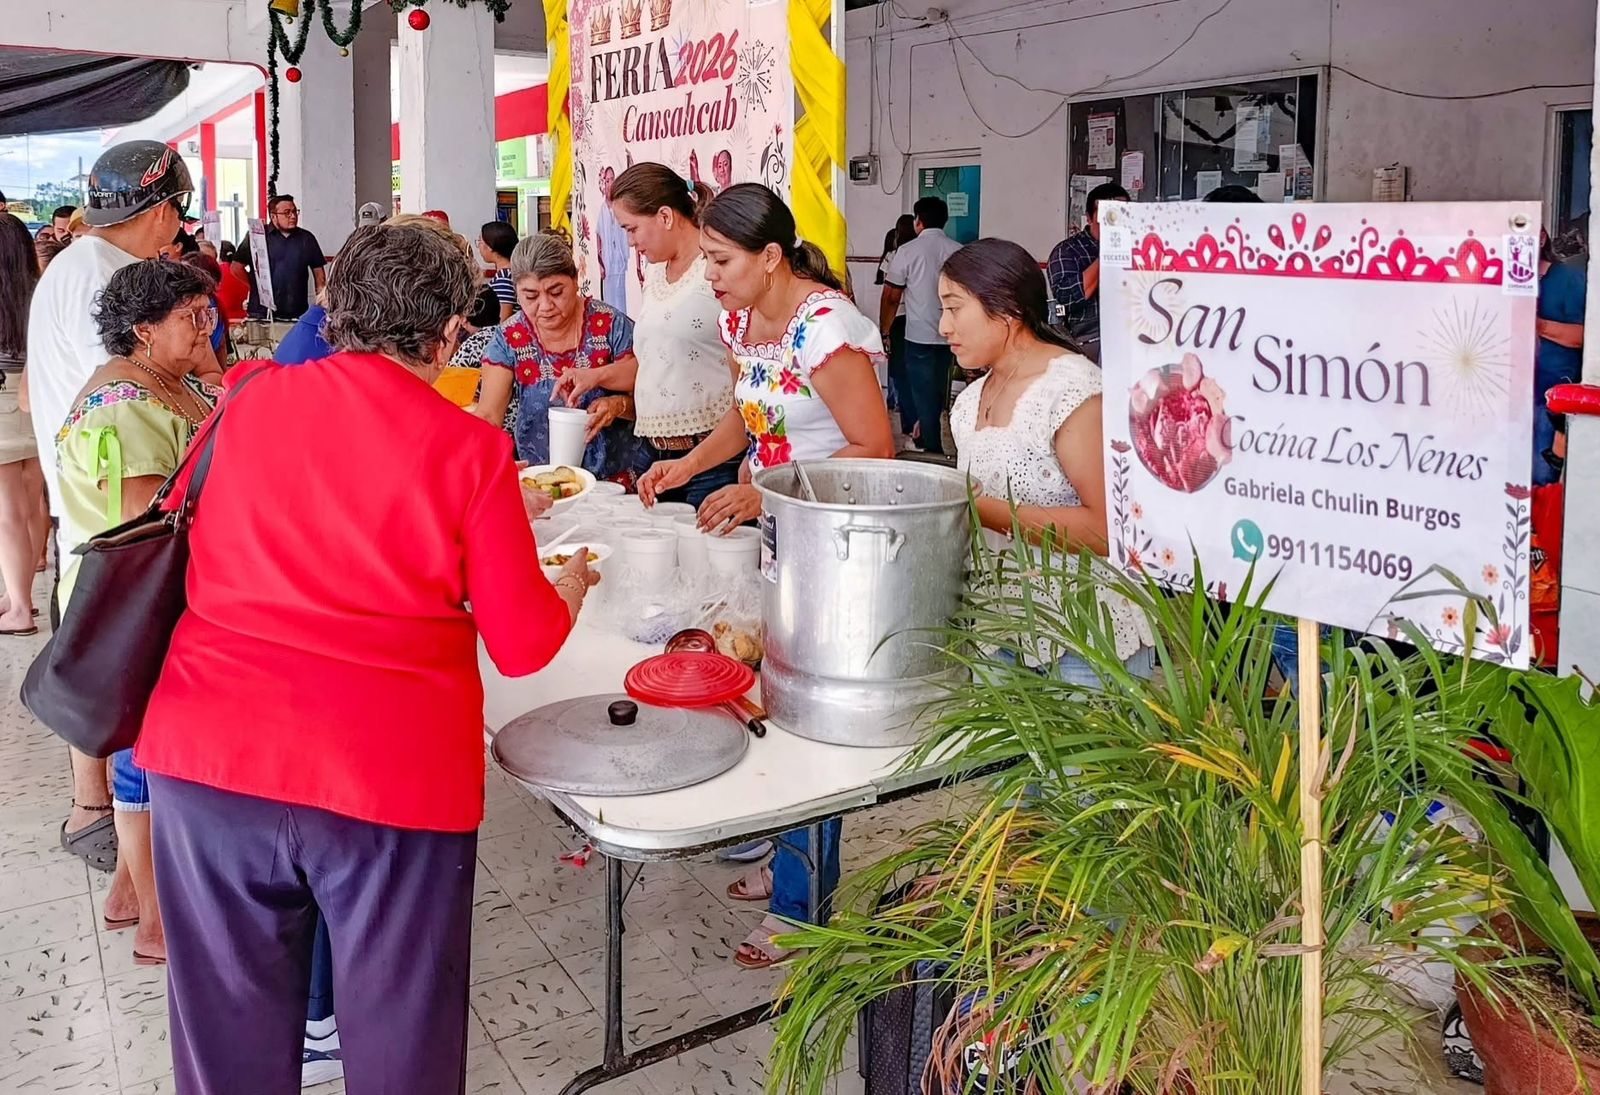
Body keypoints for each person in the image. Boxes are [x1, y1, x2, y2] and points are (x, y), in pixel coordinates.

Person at [133, 219, 594, 1095]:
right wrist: (567, 591)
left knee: (225, 1040)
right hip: (387, 781)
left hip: (209, 758)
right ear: (451, 333)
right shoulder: (470, 449)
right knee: (401, 1044)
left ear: (334, 310)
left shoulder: (247, 396)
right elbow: (525, 642)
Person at [638, 184, 893, 968]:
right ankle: (781, 848)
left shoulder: (828, 330)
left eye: (720, 260)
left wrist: (764, 488)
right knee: (768, 697)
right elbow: (750, 417)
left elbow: (874, 449)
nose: (707, 274)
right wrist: (691, 462)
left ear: (771, 256)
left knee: (808, 715)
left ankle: (802, 904)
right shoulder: (743, 319)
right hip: (782, 537)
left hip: (837, 547)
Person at [26, 139, 192, 883]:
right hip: (121, 506)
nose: (179, 235)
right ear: (159, 211)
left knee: (94, 658)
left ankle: (89, 807)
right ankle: (130, 857)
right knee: (125, 679)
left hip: (81, 503)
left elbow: (35, 391)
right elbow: (136, 388)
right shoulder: (122, 277)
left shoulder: (62, 266)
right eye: (177, 219)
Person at [55, 260, 225, 968]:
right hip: (134, 600)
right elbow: (146, 517)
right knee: (147, 756)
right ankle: (157, 921)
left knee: (147, 748)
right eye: (191, 315)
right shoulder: (125, 401)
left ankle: (130, 891)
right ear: (143, 328)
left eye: (206, 310)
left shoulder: (167, 380)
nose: (206, 325)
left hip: (147, 595)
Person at [944, 237, 1153, 683]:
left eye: (954, 308)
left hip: (1083, 637)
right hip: (998, 631)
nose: (943, 326)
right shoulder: (971, 400)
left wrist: (972, 509)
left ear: (1008, 310)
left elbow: (1106, 528)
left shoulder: (1072, 390)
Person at [552, 162, 741, 508]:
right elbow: (653, 360)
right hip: (655, 456)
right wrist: (595, 376)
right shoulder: (656, 274)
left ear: (666, 217)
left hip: (711, 458)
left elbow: (744, 362)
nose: (630, 242)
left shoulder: (714, 271)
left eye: (632, 228)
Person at [475, 234, 645, 481]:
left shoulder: (610, 325)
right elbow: (489, 417)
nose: (545, 306)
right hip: (545, 482)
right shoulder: (509, 338)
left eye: (556, 292)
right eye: (531, 296)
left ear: (575, 280)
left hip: (618, 482)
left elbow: (650, 399)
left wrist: (617, 406)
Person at [879, 197, 962, 455]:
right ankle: (925, 434)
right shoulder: (959, 251)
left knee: (922, 390)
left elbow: (892, 296)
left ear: (918, 222)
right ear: (945, 221)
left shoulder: (907, 252)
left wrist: (884, 331)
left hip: (918, 334)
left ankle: (932, 446)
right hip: (952, 335)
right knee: (939, 388)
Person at [0, 214, 47, 636]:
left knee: (6, 513)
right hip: (35, 398)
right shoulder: (39, 291)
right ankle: (21, 591)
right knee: (31, 507)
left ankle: (19, 606)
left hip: (1, 402)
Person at [1046, 181, 1128, 362]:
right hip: (1089, 339)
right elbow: (1067, 297)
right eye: (1106, 217)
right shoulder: (1068, 251)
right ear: (1089, 218)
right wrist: (1110, 250)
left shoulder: (1138, 246)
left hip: (1131, 333)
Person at [1534, 231, 1584, 486]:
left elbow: (1583, 336)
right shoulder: (1499, 277)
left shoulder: (1569, 279)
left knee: (1542, 478)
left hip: (1549, 399)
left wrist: (1538, 326)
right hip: (1506, 398)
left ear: (1542, 238)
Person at [246, 194, 326, 319]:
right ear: (273, 216)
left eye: (295, 211)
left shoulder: (306, 238)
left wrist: (321, 302)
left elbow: (319, 272)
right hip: (261, 312)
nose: (293, 216)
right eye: (287, 213)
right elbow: (236, 267)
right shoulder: (258, 237)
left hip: (296, 312)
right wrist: (255, 284)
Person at [878, 214, 919, 446]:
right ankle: (919, 426)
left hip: (898, 320)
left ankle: (909, 428)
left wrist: (883, 329)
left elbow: (889, 296)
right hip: (921, 320)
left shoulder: (894, 257)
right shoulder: (920, 253)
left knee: (901, 375)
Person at [479, 220, 519, 322]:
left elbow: (503, 319)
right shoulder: (511, 273)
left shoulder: (504, 278)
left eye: (480, 241)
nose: (478, 246)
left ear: (490, 246)